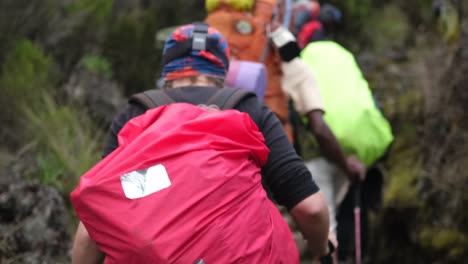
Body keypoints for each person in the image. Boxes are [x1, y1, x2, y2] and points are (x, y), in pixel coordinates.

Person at [71, 22, 334, 263]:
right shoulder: (249, 110)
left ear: (168, 69)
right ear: (223, 68)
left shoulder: (135, 114)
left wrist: (157, 178)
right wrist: (323, 248)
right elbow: (310, 208)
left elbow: (97, 219)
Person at [268, 3, 394, 262]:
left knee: (328, 233)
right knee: (349, 223)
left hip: (320, 152)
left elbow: (312, 120)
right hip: (362, 152)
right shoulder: (343, 54)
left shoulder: (299, 62)